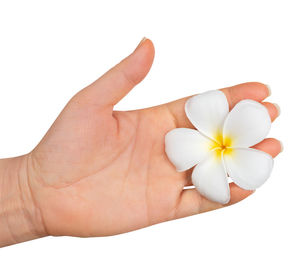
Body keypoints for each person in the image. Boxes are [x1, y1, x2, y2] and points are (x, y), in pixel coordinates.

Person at [0, 38, 282, 247]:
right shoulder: (193, 134)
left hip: (218, 149)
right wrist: (29, 194)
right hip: (213, 147)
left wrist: (30, 195)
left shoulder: (240, 127)